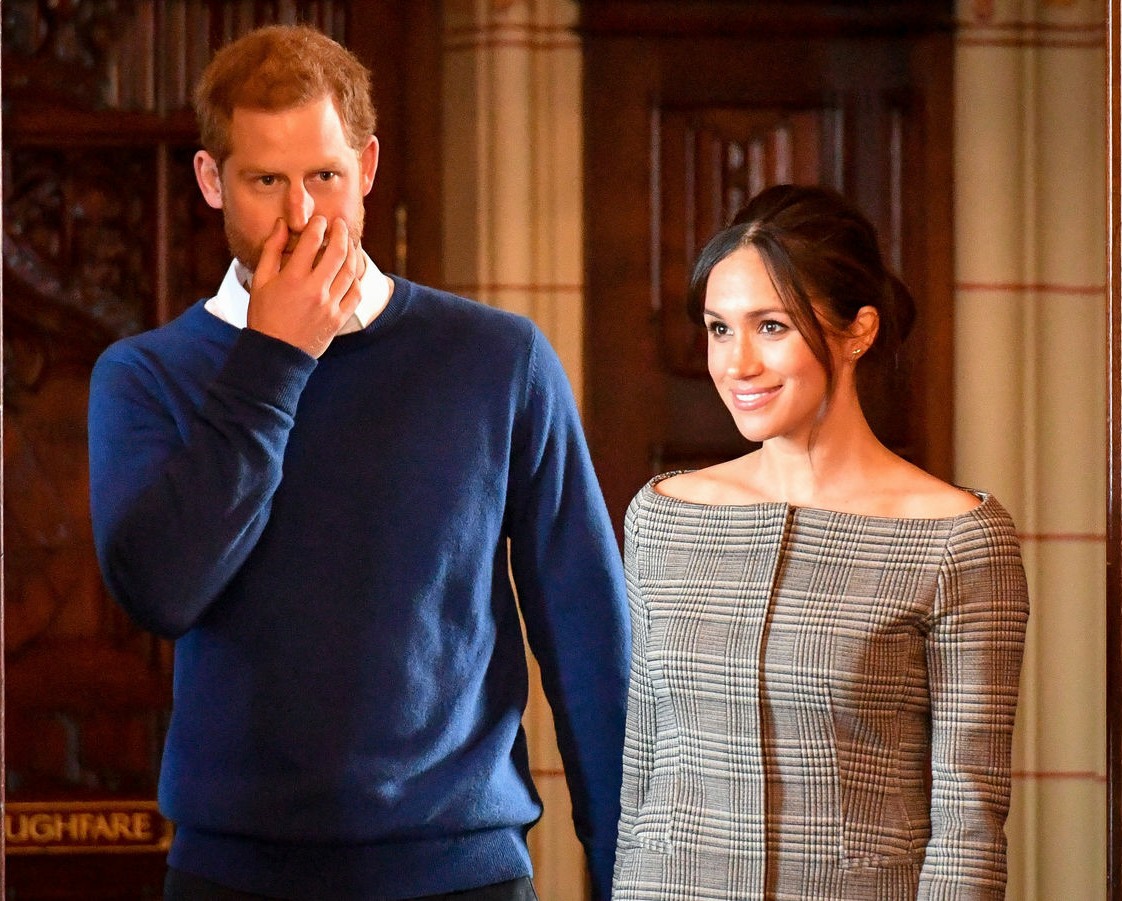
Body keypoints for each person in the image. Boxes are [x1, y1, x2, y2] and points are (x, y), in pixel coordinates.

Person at [87, 24, 629, 901]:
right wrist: (275, 357)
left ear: (368, 168)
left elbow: (591, 639)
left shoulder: (498, 358)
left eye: (325, 178)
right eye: (266, 181)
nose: (300, 215)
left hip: (462, 872)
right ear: (211, 180)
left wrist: (623, 876)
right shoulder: (144, 376)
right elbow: (161, 590)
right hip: (233, 876)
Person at [613, 184, 1029, 900]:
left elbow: (968, 825)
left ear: (859, 330)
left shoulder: (954, 540)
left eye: (771, 326)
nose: (736, 362)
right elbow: (643, 773)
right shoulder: (662, 518)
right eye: (719, 328)